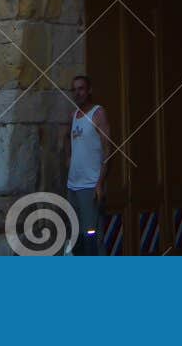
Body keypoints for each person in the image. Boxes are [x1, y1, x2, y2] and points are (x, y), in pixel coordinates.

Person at [66, 74, 110, 255]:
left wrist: (100, 183)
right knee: (76, 235)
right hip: (73, 186)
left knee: (92, 235)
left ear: (89, 90)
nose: (78, 93)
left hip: (90, 185)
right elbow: (67, 141)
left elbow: (108, 149)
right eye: (74, 90)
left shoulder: (98, 113)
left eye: (81, 88)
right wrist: (67, 160)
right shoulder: (73, 116)